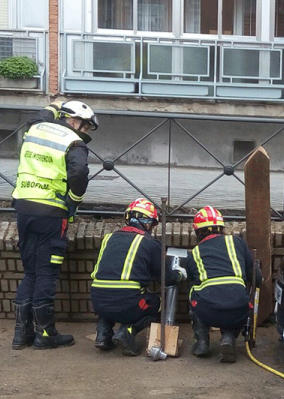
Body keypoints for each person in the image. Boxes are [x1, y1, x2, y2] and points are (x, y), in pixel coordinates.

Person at [11, 100, 98, 350]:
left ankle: (21, 334)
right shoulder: (74, 143)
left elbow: (41, 115)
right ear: (73, 121)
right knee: (46, 272)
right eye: (85, 126)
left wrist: (54, 103)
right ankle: (45, 334)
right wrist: (73, 201)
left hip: (24, 207)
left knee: (30, 272)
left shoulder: (35, 128)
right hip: (51, 212)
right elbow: (79, 173)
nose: (86, 132)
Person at [90, 198, 186, 356]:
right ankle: (127, 332)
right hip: (128, 304)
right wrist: (179, 275)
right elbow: (165, 277)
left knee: (108, 298)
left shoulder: (108, 238)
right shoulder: (150, 243)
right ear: (147, 223)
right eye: (153, 224)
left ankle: (102, 333)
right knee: (156, 303)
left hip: (97, 302)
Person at [185, 206, 262, 363]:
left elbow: (191, 278)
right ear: (221, 227)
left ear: (197, 232)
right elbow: (257, 278)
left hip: (208, 310)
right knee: (237, 294)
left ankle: (202, 341)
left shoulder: (194, 253)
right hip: (238, 309)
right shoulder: (237, 242)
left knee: (193, 289)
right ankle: (228, 337)